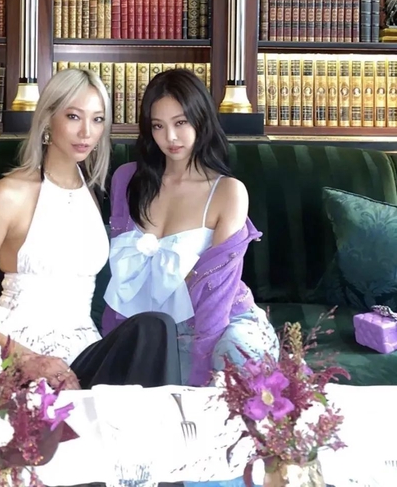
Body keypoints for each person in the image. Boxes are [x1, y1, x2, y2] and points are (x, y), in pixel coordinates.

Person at [0, 67, 181, 390]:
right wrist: (28, 359)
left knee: (156, 327)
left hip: (82, 352)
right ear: (47, 119)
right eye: (73, 116)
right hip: (17, 351)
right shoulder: (7, 195)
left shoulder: (93, 193)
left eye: (97, 119)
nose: (86, 132)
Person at [102, 69, 279, 386]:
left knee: (235, 362)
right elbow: (123, 281)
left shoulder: (228, 192)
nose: (170, 137)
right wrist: (114, 344)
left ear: (201, 120)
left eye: (181, 122)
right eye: (158, 125)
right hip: (155, 328)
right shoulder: (126, 180)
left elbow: (216, 298)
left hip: (222, 324)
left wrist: (199, 375)